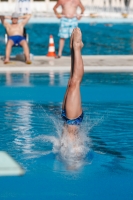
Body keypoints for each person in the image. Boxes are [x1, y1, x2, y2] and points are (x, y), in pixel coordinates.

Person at [61, 27, 84, 140]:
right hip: (73, 121)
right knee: (75, 82)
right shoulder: (76, 154)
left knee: (72, 82)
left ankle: (73, 50)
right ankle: (77, 48)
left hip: (68, 120)